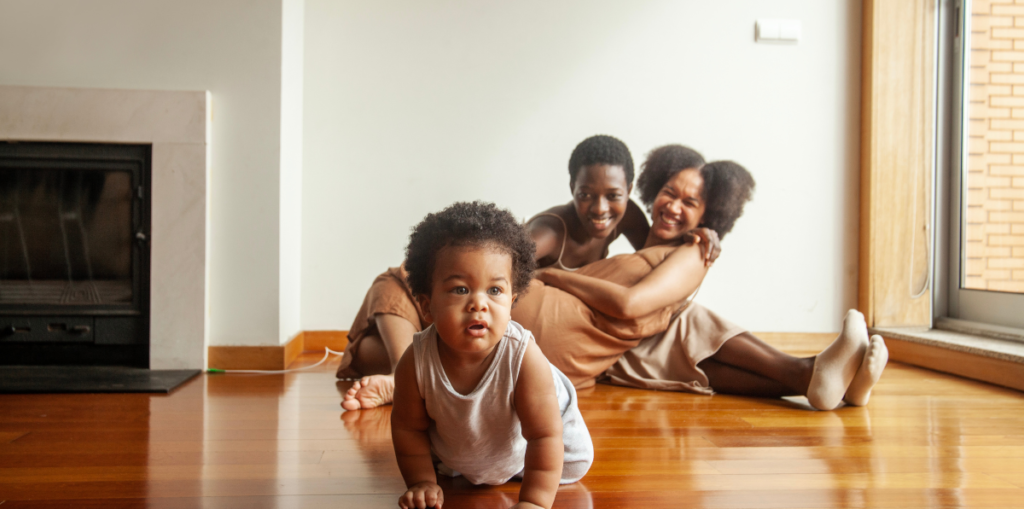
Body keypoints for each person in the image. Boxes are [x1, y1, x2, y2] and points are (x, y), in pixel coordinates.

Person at [337, 135, 716, 410]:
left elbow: (649, 256)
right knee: (392, 282)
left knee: (380, 344)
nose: (600, 207)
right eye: (586, 194)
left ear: (628, 191)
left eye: (613, 195)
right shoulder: (549, 232)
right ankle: (408, 382)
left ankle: (401, 374)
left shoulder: (627, 216)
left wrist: (698, 233)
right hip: (476, 306)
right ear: (572, 189)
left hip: (500, 330)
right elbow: (496, 266)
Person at [513, 145, 888, 410]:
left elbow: (632, 300)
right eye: (668, 193)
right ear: (652, 191)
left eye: (689, 203)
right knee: (682, 320)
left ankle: (815, 375)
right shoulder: (614, 226)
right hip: (611, 346)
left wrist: (555, 277)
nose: (673, 207)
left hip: (618, 333)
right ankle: (811, 376)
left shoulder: (684, 247)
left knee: (683, 320)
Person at [390, 201, 593, 509]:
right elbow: (408, 428)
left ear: (512, 301)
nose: (478, 304)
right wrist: (422, 481)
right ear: (426, 306)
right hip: (469, 438)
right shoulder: (416, 362)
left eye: (494, 291)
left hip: (542, 429)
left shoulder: (524, 357)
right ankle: (481, 463)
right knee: (442, 456)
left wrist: (535, 502)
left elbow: (544, 436)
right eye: (460, 289)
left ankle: (512, 466)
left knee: (572, 461)